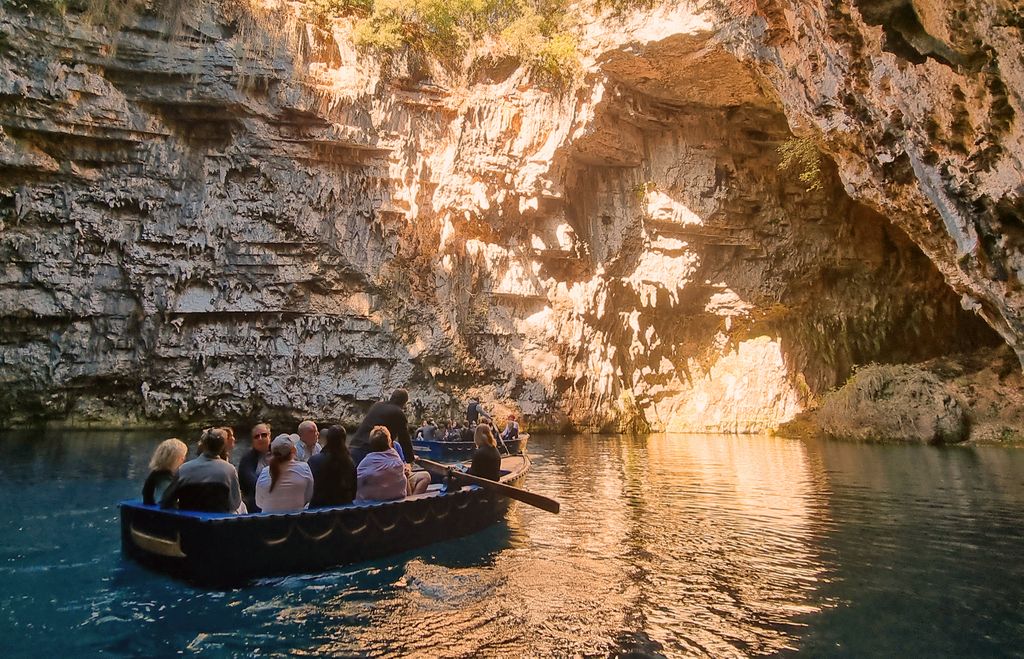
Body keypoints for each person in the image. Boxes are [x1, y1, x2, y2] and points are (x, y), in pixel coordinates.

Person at [161, 428, 242, 513]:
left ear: (203, 445)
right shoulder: (229, 470)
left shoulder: (184, 469)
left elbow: (167, 500)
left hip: (188, 522)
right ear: (223, 447)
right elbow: (235, 503)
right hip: (217, 523)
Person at [355, 426, 430, 502]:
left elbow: (356, 481)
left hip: (372, 504)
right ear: (389, 441)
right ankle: (412, 504)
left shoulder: (366, 462)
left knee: (422, 476)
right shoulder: (396, 459)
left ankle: (412, 502)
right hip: (396, 499)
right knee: (405, 478)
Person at [348, 389, 415, 467]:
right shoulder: (398, 413)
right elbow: (404, 439)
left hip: (353, 448)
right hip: (369, 452)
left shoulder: (377, 405)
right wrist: (410, 460)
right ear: (404, 402)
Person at [256, 435, 314, 513]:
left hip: (268, 523)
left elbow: (259, 503)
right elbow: (309, 496)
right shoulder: (304, 468)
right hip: (295, 522)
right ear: (293, 450)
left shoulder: (264, 472)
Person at [308, 425, 357, 507]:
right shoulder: (350, 462)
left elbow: (309, 489)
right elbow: (353, 490)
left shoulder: (314, 460)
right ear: (344, 440)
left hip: (318, 509)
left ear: (327, 439)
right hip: (344, 509)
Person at [142, 438, 188, 505]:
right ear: (176, 458)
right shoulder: (163, 477)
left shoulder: (156, 473)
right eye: (183, 456)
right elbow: (167, 500)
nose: (184, 459)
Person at [238, 423, 271, 513]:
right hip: (256, 500)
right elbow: (252, 482)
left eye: (263, 435)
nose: (260, 438)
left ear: (269, 436)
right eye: (256, 437)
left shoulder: (279, 453)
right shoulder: (247, 459)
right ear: (252, 441)